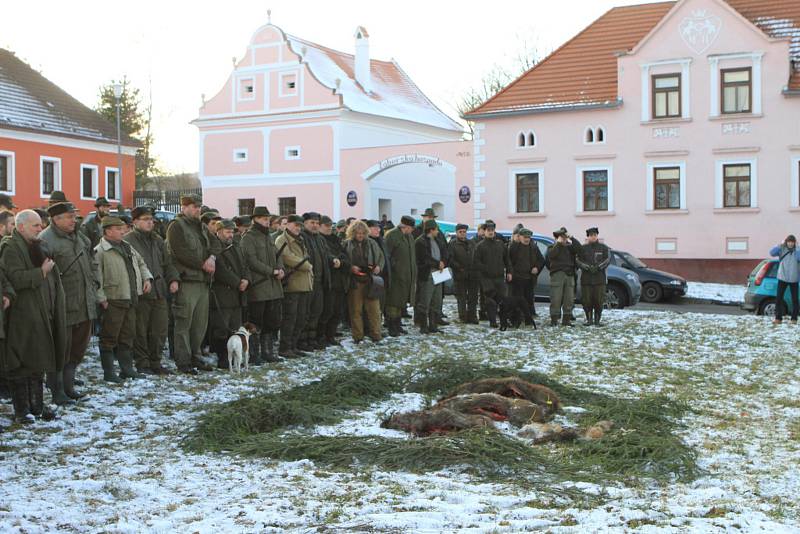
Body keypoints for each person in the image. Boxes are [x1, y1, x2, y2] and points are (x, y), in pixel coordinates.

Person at [1, 210, 66, 423]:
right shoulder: (11, 248)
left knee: (38, 359)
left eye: (40, 225)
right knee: (20, 362)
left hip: (40, 310)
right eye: (35, 226)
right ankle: (22, 410)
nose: (40, 229)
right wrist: (42, 272)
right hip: (21, 313)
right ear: (21, 227)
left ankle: (37, 406)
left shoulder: (36, 246)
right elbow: (16, 279)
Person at [39, 201, 97, 402]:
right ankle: (57, 392)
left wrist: (95, 283)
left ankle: (69, 387)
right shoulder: (46, 241)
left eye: (74, 216)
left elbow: (91, 263)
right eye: (70, 216)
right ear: (56, 219)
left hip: (84, 303)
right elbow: (44, 278)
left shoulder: (78, 237)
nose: (74, 219)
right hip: (62, 305)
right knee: (60, 350)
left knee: (77, 349)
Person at [95, 217, 153, 382]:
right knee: (109, 338)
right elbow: (96, 278)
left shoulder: (127, 247)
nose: (123, 231)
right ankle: (109, 373)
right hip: (113, 299)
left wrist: (146, 278)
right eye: (118, 229)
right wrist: (101, 298)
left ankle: (127, 369)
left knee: (128, 336)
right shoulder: (100, 251)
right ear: (108, 231)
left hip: (131, 298)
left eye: (123, 228)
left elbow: (141, 263)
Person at [124, 206, 180, 374]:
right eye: (145, 219)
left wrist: (173, 279)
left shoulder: (158, 240)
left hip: (159, 290)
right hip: (141, 292)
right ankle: (143, 363)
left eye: (151, 220)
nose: (150, 223)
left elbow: (168, 263)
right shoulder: (128, 240)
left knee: (160, 329)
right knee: (141, 330)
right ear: (135, 221)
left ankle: (156, 361)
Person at [166, 194, 215, 374]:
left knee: (199, 324)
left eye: (199, 206)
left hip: (202, 281)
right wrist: (202, 264)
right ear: (183, 207)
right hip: (187, 281)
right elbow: (180, 251)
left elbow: (215, 245)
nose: (197, 209)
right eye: (194, 206)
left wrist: (212, 257)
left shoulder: (201, 227)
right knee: (184, 323)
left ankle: (195, 355)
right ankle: (183, 360)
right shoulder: (176, 226)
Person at [241, 206, 284, 363]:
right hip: (258, 287)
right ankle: (254, 354)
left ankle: (267, 352)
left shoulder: (268, 237)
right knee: (255, 322)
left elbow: (277, 255)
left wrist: (280, 269)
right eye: (264, 219)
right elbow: (251, 261)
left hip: (273, 287)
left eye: (268, 219)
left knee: (271, 321)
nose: (267, 222)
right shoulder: (248, 238)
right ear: (256, 219)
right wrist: (271, 271)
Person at [210, 219, 250, 368]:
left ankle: (235, 358)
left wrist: (246, 279)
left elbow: (245, 265)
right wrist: (237, 282)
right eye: (227, 231)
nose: (230, 235)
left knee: (235, 327)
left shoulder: (236, 247)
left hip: (238, 294)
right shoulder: (215, 248)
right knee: (221, 328)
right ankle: (222, 358)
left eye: (232, 232)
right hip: (222, 294)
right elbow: (220, 270)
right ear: (218, 231)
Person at [275, 215, 313, 358]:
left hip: (304, 283)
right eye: (295, 225)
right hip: (292, 284)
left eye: (299, 225)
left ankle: (293, 345)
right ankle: (285, 347)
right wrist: (307, 266)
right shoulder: (281, 240)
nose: (298, 228)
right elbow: (287, 257)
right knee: (290, 318)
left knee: (301, 318)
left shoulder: (300, 239)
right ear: (287, 225)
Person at [344, 220, 384, 343]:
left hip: (371, 281)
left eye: (362, 233)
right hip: (355, 282)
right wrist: (351, 267)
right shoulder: (347, 244)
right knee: (355, 310)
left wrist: (378, 267)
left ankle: (376, 334)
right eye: (357, 233)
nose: (360, 235)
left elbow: (380, 258)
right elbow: (344, 259)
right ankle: (358, 336)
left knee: (374, 311)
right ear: (352, 233)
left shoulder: (372, 243)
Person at [300, 212, 329, 351]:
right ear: (305, 223)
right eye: (312, 222)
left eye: (317, 223)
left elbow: (325, 255)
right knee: (305, 313)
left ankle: (312, 338)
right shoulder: (302, 237)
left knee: (317, 312)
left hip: (319, 281)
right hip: (307, 281)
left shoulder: (320, 238)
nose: (315, 225)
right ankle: (303, 340)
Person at [474, 221, 512, 327]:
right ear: (484, 232)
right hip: (487, 279)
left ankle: (504, 320)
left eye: (492, 230)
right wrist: (485, 270)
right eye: (488, 231)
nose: (490, 232)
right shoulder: (480, 246)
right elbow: (476, 262)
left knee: (503, 299)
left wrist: (509, 271)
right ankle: (493, 321)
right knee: (490, 301)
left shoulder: (500, 244)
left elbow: (507, 260)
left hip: (499, 277)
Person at [384, 215, 417, 336]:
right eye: (411, 228)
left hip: (406, 276)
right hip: (395, 276)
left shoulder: (409, 237)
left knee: (401, 302)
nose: (412, 230)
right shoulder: (391, 235)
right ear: (406, 226)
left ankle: (398, 325)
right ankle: (392, 326)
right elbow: (387, 255)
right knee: (393, 302)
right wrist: (395, 267)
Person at [319, 215, 349, 345]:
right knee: (327, 311)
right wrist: (334, 261)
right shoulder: (319, 239)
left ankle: (330, 336)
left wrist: (341, 262)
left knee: (337, 311)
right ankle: (322, 337)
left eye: (330, 225)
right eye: (326, 225)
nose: (329, 228)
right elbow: (325, 256)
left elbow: (345, 256)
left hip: (339, 279)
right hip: (327, 280)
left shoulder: (335, 239)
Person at [415, 219, 448, 334]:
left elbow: (444, 252)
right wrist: (437, 263)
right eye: (436, 229)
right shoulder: (420, 242)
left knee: (436, 301)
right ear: (431, 230)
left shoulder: (438, 240)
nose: (438, 231)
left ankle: (433, 325)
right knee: (425, 301)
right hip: (427, 274)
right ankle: (423, 326)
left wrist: (443, 261)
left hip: (439, 273)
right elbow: (424, 258)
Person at [545, 227, 582, 327]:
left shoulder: (570, 247)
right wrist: (558, 243)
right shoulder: (552, 247)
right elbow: (552, 255)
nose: (564, 239)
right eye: (562, 237)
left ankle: (566, 319)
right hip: (557, 274)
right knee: (556, 298)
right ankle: (554, 320)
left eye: (565, 237)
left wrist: (572, 238)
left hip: (569, 274)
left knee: (569, 299)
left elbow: (580, 249)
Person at [576, 227, 610, 326]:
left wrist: (598, 267)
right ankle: (589, 320)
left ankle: (597, 321)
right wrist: (587, 267)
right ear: (588, 237)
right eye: (591, 235)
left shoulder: (603, 247)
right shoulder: (583, 248)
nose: (593, 237)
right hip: (586, 280)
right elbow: (578, 260)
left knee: (599, 301)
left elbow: (607, 259)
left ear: (597, 236)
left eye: (595, 235)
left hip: (599, 280)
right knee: (586, 301)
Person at [508, 228, 545, 319]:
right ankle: (516, 317)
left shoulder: (533, 247)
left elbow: (541, 260)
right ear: (519, 237)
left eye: (528, 237)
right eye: (525, 237)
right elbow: (508, 261)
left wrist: (537, 267)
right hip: (517, 278)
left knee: (529, 299)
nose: (527, 239)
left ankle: (528, 317)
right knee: (517, 299)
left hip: (529, 278)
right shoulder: (514, 247)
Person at [449, 223, 480, 324]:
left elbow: (476, 256)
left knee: (473, 297)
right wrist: (459, 267)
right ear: (457, 233)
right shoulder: (452, 244)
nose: (462, 234)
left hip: (472, 274)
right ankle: (463, 316)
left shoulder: (471, 243)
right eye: (460, 232)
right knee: (461, 297)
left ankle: (472, 316)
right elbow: (450, 259)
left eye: (464, 232)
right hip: (460, 274)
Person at [769, 235, 800, 324]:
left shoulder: (797, 251)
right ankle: (778, 318)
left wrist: (797, 248)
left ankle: (794, 319)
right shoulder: (782, 249)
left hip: (794, 279)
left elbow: (799, 258)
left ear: (794, 242)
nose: (790, 243)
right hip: (782, 278)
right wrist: (780, 245)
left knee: (795, 300)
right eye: (789, 241)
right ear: (786, 242)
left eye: (792, 242)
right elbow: (771, 253)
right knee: (778, 299)